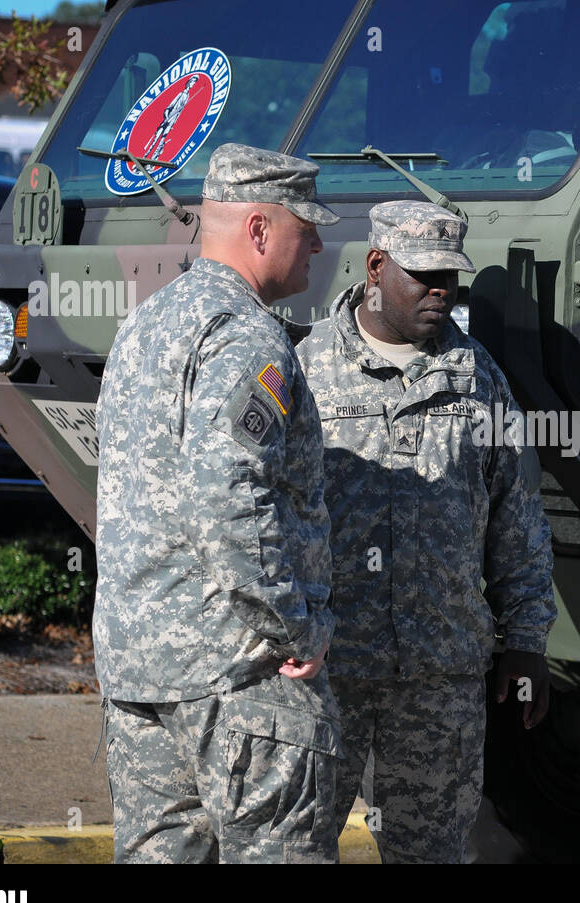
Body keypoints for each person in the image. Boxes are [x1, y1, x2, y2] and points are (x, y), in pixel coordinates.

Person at [94, 142, 342, 863]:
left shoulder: (146, 323)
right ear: (259, 229)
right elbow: (228, 496)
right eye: (306, 226)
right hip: (239, 677)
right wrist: (294, 625)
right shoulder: (247, 335)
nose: (321, 243)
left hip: (141, 672)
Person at [296, 199, 557, 864]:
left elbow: (517, 516)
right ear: (376, 266)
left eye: (451, 280)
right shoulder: (305, 369)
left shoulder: (478, 377)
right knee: (298, 845)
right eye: (424, 276)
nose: (441, 293)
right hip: (331, 669)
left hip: (439, 679)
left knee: (433, 853)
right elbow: (267, 510)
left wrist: (525, 641)